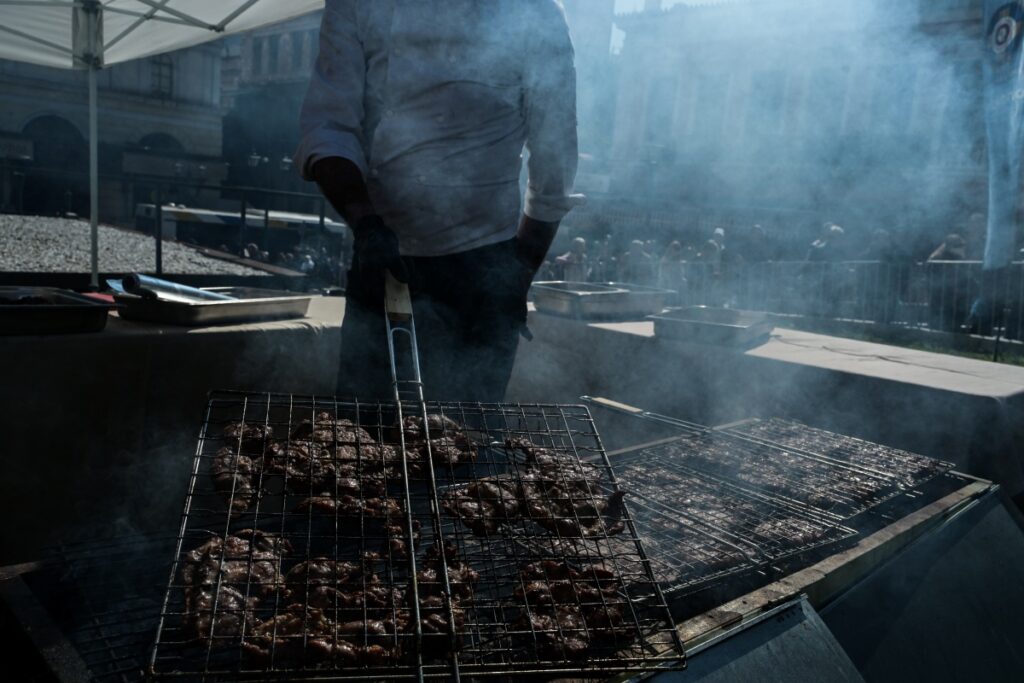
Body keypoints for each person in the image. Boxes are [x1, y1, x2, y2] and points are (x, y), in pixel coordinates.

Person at [295, 0, 580, 401]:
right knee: (363, 424)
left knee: (468, 430)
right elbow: (329, 128)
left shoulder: (535, 11)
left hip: (485, 271)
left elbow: (554, 161)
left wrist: (518, 273)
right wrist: (365, 222)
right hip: (381, 257)